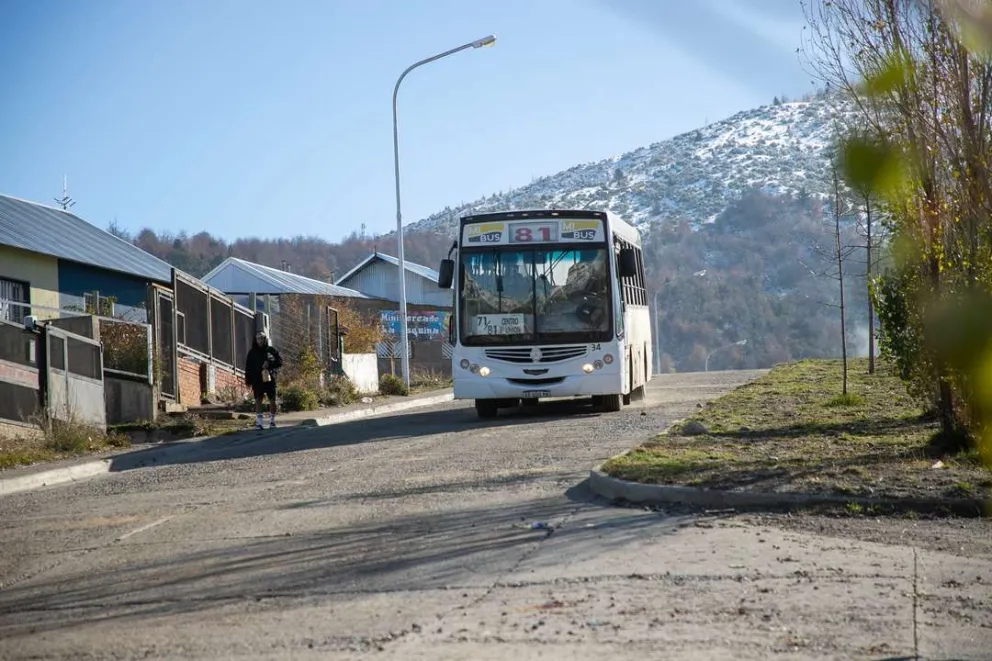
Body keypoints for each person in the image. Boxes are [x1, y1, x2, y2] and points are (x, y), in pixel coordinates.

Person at [244, 331, 283, 430]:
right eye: (258, 338)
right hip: (257, 380)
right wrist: (248, 381)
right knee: (258, 400)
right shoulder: (252, 353)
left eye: (262, 338)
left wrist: (270, 364)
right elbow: (248, 367)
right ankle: (259, 423)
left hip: (270, 379)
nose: (260, 340)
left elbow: (279, 362)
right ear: (255, 340)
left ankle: (272, 422)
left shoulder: (271, 350)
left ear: (265, 339)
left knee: (272, 400)